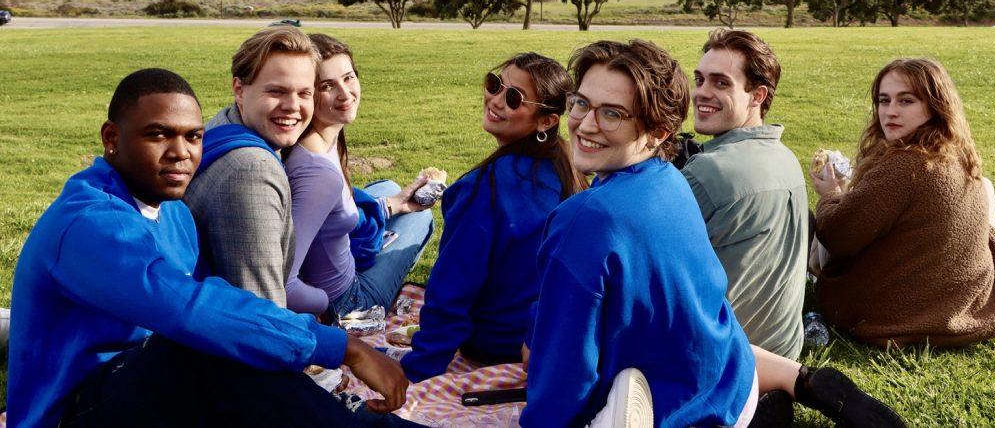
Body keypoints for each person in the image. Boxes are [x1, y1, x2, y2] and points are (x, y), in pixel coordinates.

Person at [521, 40, 906, 428]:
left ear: (657, 131)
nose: (586, 124)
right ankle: (795, 378)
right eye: (581, 103)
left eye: (612, 114)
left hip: (674, 408)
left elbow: (562, 375)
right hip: (732, 384)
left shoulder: (582, 219)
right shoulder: (668, 179)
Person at [7, 68, 416, 428]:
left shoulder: (173, 213)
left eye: (193, 137)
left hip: (149, 389)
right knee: (203, 343)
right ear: (112, 138)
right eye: (157, 134)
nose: (180, 152)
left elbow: (219, 303)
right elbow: (189, 308)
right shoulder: (88, 223)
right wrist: (343, 348)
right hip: (74, 411)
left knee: (231, 345)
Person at [811, 57, 995, 347]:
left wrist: (830, 195)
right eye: (884, 101)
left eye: (906, 101)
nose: (890, 112)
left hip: (891, 316)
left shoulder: (906, 165)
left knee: (802, 217)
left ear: (935, 105)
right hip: (956, 307)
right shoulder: (956, 153)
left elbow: (837, 236)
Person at [400, 53, 586, 382]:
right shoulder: (572, 169)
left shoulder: (482, 190)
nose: (496, 100)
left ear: (546, 121)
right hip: (548, 336)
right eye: (495, 84)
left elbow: (451, 293)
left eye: (513, 98)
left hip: (496, 344)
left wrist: (415, 373)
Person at [677, 29, 808, 360]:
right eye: (700, 80)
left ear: (758, 95)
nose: (701, 93)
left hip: (726, 362)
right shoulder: (786, 157)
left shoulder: (709, 172)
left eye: (721, 83)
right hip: (782, 353)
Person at [284, 33, 433, 320]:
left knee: (389, 187)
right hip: (349, 301)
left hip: (336, 260)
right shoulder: (318, 174)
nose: (345, 93)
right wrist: (327, 309)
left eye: (349, 78)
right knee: (421, 218)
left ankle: (391, 206)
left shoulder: (318, 141)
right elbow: (285, 283)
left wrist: (396, 203)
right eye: (327, 85)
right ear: (306, 92)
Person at [184, 25, 318, 304]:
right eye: (277, 91)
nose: (293, 106)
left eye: (304, 93)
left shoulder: (222, 124)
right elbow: (261, 311)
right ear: (239, 89)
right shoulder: (252, 171)